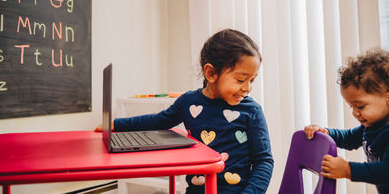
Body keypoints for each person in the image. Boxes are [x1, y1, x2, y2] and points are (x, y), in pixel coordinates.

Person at [96, 28, 274, 193]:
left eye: (252, 80)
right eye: (241, 80)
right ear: (211, 73)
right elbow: (158, 121)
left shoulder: (252, 111)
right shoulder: (189, 102)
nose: (248, 88)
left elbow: (264, 162)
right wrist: (116, 124)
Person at [304, 48, 389, 194]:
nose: (355, 113)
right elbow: (349, 138)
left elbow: (386, 171)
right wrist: (326, 132)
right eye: (351, 106)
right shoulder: (371, 126)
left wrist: (348, 170)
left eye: (360, 106)